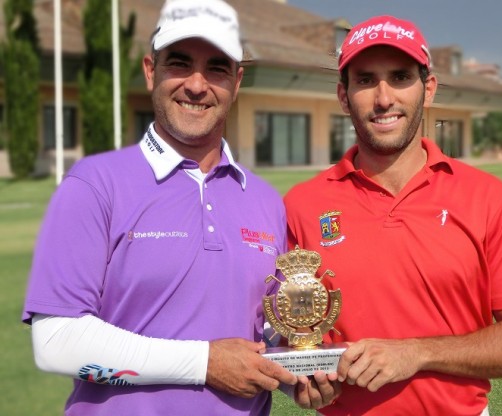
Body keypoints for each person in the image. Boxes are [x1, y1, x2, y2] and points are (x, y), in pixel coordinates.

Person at [21, 0, 337, 414]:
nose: (196, 84)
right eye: (180, 63)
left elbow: (264, 333)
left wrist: (297, 371)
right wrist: (204, 363)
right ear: (151, 71)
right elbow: (56, 342)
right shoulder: (94, 184)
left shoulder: (264, 201)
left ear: (237, 81)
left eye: (217, 68)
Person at [284, 14, 502, 416]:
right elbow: (290, 334)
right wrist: (303, 380)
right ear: (343, 96)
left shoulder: (486, 197)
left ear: (427, 89)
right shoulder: (301, 205)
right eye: (366, 80)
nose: (384, 97)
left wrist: (417, 352)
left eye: (400, 77)